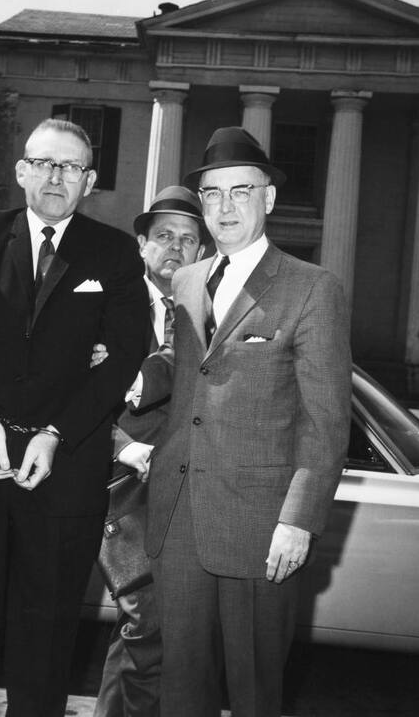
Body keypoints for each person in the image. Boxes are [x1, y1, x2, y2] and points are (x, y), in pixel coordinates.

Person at [0, 118, 149, 717]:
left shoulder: (114, 252)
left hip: (64, 474)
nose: (55, 177)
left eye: (71, 167)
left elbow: (124, 355)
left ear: (89, 182)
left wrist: (56, 434)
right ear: (22, 171)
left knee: (45, 643)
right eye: (45, 163)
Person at [131, 126, 352, 717]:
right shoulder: (188, 279)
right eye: (212, 193)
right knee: (181, 690)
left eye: (240, 191)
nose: (224, 207)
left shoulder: (312, 288)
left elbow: (326, 422)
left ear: (268, 198)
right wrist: (132, 377)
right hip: (178, 517)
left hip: (259, 527)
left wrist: (298, 521)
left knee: (255, 692)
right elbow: (184, 363)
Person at [94, 186, 206, 717]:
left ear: (202, 251)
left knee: (145, 630)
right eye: (164, 236)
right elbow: (66, 396)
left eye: (188, 239)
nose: (175, 248)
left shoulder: (206, 312)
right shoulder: (103, 303)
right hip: (115, 487)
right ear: (141, 244)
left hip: (182, 492)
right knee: (147, 623)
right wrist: (123, 447)